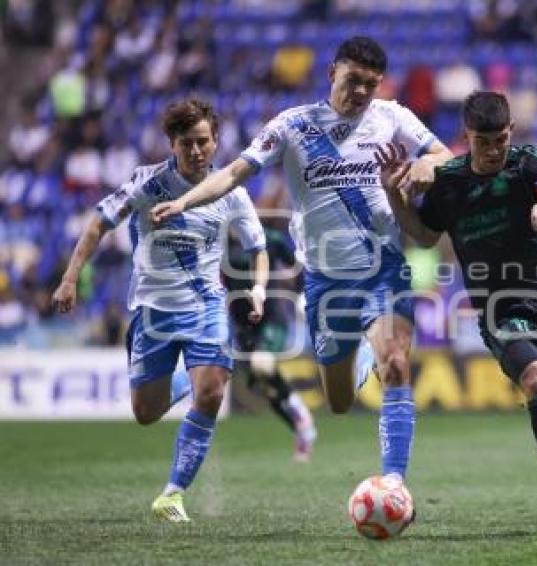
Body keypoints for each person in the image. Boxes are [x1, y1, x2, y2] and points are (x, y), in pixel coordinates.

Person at [150, 37, 452, 483]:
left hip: (383, 269)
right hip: (325, 281)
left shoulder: (393, 117)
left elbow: (445, 155)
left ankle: (394, 482)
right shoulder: (292, 126)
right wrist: (183, 202)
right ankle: (359, 356)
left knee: (396, 363)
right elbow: (233, 173)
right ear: (332, 74)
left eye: (371, 84)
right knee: (339, 401)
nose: (361, 91)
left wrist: (430, 165)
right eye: (353, 80)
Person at [374, 91, 537, 531]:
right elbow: (425, 236)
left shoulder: (527, 164)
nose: (494, 150)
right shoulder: (449, 183)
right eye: (484, 142)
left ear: (511, 132)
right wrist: (394, 195)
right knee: (536, 380)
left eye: (501, 140)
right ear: (467, 137)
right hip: (500, 309)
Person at [52, 98, 269, 522]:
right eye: (187, 143)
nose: (196, 151)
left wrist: (259, 290)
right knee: (146, 413)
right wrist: (70, 277)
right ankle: (183, 381)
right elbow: (98, 224)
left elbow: (258, 248)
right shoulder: (146, 183)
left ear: (216, 140)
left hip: (206, 305)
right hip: (153, 310)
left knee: (212, 392)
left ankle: (172, 494)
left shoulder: (231, 192)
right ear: (172, 143)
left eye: (203, 141)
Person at [224, 223, 317, 462]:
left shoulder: (270, 238)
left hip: (271, 316)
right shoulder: (218, 242)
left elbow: (296, 267)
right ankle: (302, 430)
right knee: (266, 388)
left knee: (262, 364)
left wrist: (301, 296)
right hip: (243, 326)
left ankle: (303, 417)